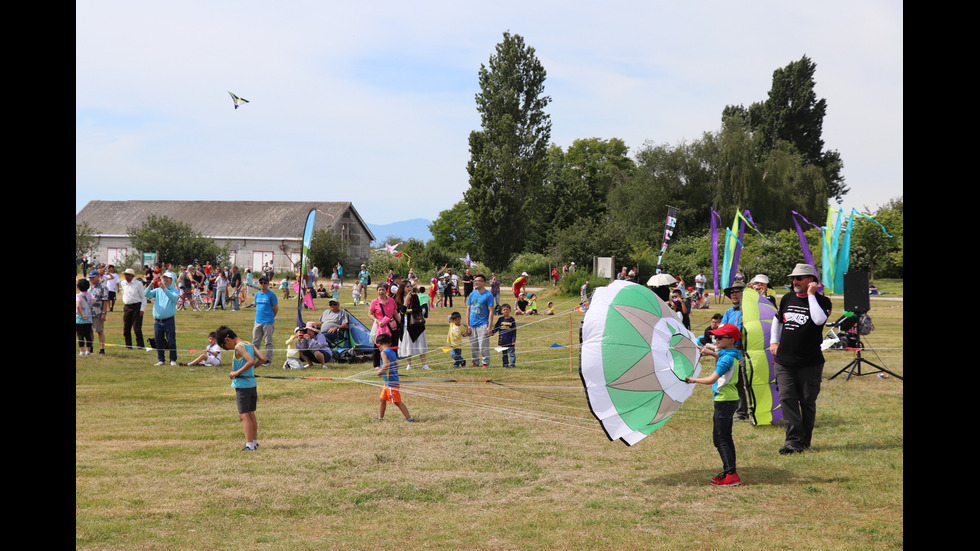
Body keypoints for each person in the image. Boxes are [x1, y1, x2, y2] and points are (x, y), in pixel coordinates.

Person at [770, 263, 832, 455]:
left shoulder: (823, 301)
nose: (794, 282)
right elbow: (777, 319)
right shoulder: (788, 298)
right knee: (787, 398)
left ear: (811, 281)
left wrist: (812, 295)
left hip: (810, 361)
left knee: (807, 401)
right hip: (784, 360)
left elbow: (819, 320)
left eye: (799, 278)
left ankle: (805, 439)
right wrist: (774, 341)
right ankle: (793, 441)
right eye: (793, 278)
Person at [686, 323, 743, 487]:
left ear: (731, 340)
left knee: (721, 439)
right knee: (723, 437)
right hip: (728, 399)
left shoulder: (726, 357)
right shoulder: (732, 354)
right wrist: (712, 353)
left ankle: (731, 475)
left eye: (720, 337)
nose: (715, 339)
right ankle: (729, 472)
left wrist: (692, 379)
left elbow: (711, 379)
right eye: (715, 337)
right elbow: (722, 359)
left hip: (724, 401)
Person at [217, 325, 265, 451]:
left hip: (243, 385)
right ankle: (254, 442)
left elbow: (250, 361)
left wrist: (236, 372)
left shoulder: (239, 347)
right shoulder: (249, 344)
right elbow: (262, 359)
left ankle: (249, 445)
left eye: (224, 346)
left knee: (243, 415)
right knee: (250, 413)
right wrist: (250, 371)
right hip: (251, 383)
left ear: (227, 340)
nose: (226, 349)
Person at [719, 280, 750, 421]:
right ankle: (741, 412)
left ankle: (755, 411)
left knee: (748, 383)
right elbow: (722, 329)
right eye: (731, 292)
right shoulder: (728, 312)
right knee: (735, 383)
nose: (734, 294)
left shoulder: (750, 311)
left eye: (737, 291)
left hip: (747, 350)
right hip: (732, 351)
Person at [373, 333, 414, 422]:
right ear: (390, 343)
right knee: (382, 399)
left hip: (391, 383)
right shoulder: (392, 351)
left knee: (397, 401)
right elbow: (397, 365)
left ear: (378, 344)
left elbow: (386, 366)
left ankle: (409, 418)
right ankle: (380, 418)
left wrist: (380, 371)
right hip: (388, 382)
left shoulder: (383, 352)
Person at [145, 271, 180, 366]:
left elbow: (173, 298)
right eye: (163, 278)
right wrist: (150, 285)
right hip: (158, 321)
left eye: (167, 278)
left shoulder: (174, 290)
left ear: (171, 280)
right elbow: (146, 294)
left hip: (169, 320)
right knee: (158, 341)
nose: (164, 279)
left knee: (171, 340)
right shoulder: (157, 290)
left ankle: (173, 359)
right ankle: (161, 360)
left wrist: (164, 289)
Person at [465, 274, 495, 368]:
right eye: (475, 281)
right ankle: (475, 362)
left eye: (478, 281)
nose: (476, 282)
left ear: (484, 282)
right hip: (472, 324)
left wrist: (489, 327)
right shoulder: (472, 294)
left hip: (483, 323)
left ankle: (485, 363)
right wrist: (468, 325)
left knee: (483, 345)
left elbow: (491, 311)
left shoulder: (488, 295)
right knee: (474, 345)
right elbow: (468, 309)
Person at [369, 283, 400, 368]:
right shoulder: (374, 302)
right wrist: (378, 321)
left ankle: (393, 363)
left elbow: (395, 313)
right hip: (380, 326)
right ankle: (376, 365)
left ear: (386, 291)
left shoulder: (391, 301)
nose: (381, 291)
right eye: (380, 290)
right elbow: (370, 314)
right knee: (377, 344)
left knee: (393, 344)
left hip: (391, 326)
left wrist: (400, 322)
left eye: (383, 290)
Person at [399, 285, 430, 370]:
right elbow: (401, 310)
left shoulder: (415, 296)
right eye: (407, 286)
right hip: (405, 324)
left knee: (421, 344)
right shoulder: (399, 298)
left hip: (416, 324)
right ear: (403, 288)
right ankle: (409, 364)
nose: (409, 288)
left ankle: (424, 364)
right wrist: (406, 301)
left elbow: (417, 309)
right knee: (407, 345)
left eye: (410, 286)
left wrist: (407, 311)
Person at [252, 277, 278, 366]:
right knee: (255, 342)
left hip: (268, 322)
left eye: (265, 283)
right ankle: (252, 359)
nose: (263, 284)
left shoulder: (271, 295)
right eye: (261, 283)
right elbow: (256, 305)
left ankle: (268, 360)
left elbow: (276, 308)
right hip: (258, 321)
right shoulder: (257, 294)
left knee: (268, 342)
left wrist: (271, 317)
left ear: (268, 284)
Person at [120, 268, 147, 350]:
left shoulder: (138, 284)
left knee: (137, 328)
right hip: (127, 306)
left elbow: (143, 298)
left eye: (127, 275)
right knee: (126, 328)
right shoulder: (123, 283)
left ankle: (140, 345)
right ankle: (128, 345)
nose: (125, 276)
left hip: (136, 307)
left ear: (131, 276)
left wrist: (142, 309)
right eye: (125, 274)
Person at [87, 269, 110, 354]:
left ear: (98, 277)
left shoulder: (102, 287)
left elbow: (105, 300)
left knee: (99, 330)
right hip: (89, 313)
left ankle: (102, 348)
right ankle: (91, 347)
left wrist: (103, 313)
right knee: (90, 331)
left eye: (93, 277)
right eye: (90, 277)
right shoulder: (89, 287)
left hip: (98, 312)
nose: (91, 279)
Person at [492, 304, 517, 368]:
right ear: (501, 311)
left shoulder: (512, 319)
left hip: (510, 340)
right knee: (504, 354)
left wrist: (513, 340)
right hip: (503, 340)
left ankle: (512, 365)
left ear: (510, 311)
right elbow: (496, 328)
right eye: (504, 310)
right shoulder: (500, 319)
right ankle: (505, 364)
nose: (506, 311)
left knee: (512, 354)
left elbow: (514, 331)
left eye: (507, 310)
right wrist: (492, 333)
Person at [76, 278, 94, 356]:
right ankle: (88, 351)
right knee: (88, 335)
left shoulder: (78, 295)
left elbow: (78, 306)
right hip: (89, 318)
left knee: (80, 335)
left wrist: (82, 315)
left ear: (78, 287)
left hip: (80, 319)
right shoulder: (90, 295)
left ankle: (82, 351)